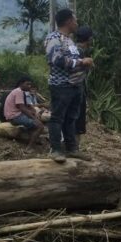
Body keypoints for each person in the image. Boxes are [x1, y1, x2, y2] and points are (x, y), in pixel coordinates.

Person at [45, 9, 93, 163]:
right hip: (61, 86)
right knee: (57, 118)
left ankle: (72, 149)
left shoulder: (70, 40)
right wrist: (81, 62)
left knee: (71, 118)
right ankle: (55, 150)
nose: (76, 23)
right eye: (74, 20)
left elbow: (73, 62)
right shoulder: (54, 38)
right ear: (67, 21)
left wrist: (85, 64)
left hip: (74, 86)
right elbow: (57, 61)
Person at [3, 77, 44, 149]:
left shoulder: (18, 91)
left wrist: (32, 112)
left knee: (33, 120)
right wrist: (34, 118)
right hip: (14, 117)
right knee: (40, 126)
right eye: (27, 84)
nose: (29, 86)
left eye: (30, 84)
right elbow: (22, 108)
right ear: (21, 84)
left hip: (13, 115)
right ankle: (29, 147)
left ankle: (33, 138)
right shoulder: (19, 92)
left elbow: (22, 107)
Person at [71, 26, 93, 136]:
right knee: (77, 118)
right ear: (89, 39)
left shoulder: (75, 49)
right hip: (77, 88)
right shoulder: (78, 51)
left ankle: (72, 146)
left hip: (76, 88)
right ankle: (73, 147)